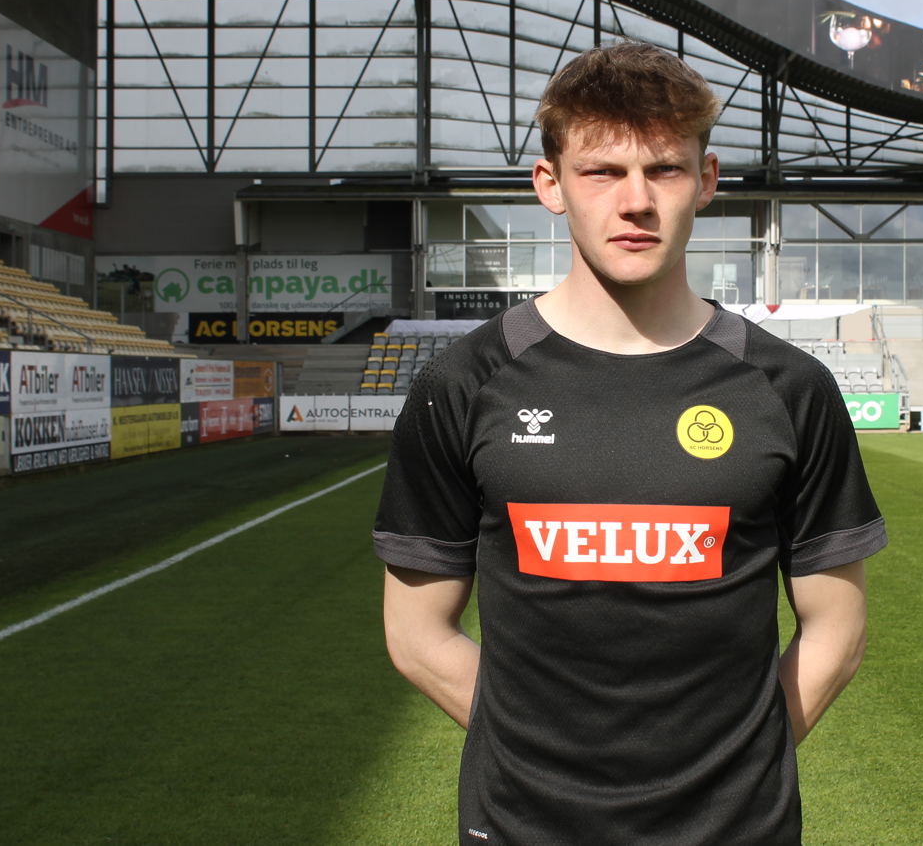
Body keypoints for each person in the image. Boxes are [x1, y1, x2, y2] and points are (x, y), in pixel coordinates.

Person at [373, 41, 886, 845]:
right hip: (524, 827)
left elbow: (837, 630)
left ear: (706, 180)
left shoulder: (790, 388)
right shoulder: (463, 384)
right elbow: (416, 634)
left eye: (665, 170)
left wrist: (731, 767)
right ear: (551, 184)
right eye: (602, 172)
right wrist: (543, 759)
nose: (636, 201)